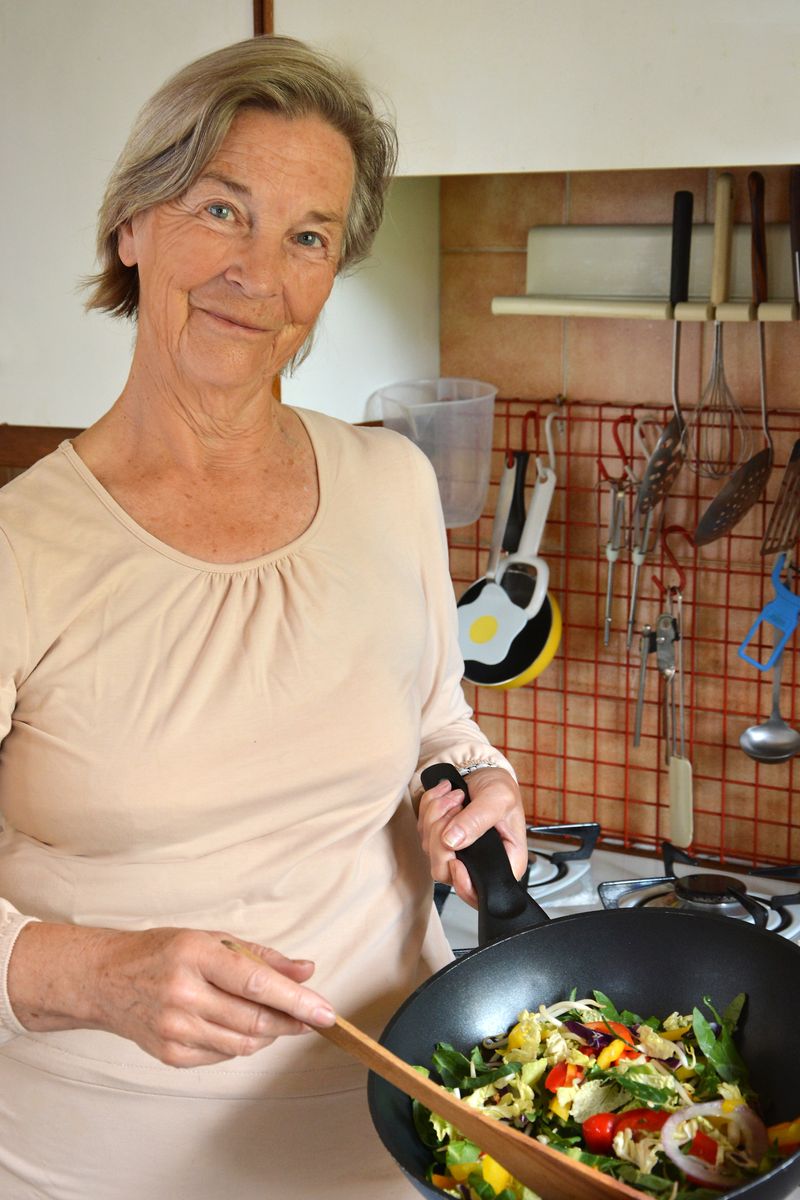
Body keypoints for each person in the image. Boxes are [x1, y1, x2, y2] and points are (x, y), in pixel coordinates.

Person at [0, 34, 527, 1200]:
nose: (260, 273)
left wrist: (474, 781)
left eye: (306, 236)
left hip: (399, 1143)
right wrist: (80, 973)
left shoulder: (389, 485)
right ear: (130, 225)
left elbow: (440, 727)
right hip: (94, 1169)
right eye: (221, 210)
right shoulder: (20, 549)